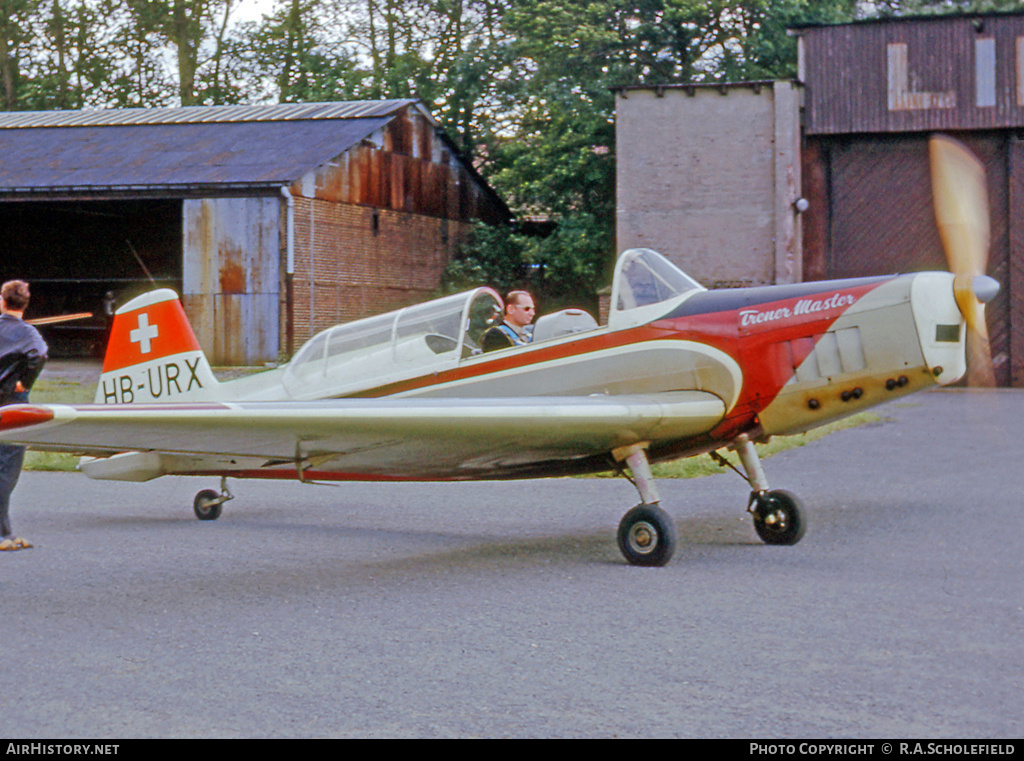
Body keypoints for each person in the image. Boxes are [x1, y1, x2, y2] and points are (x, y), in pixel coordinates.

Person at [0, 280, 48, 551]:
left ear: (2, 301)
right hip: (11, 402)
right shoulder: (29, 334)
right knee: (7, 468)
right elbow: (39, 355)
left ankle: (5, 530)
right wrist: (24, 383)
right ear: (25, 304)